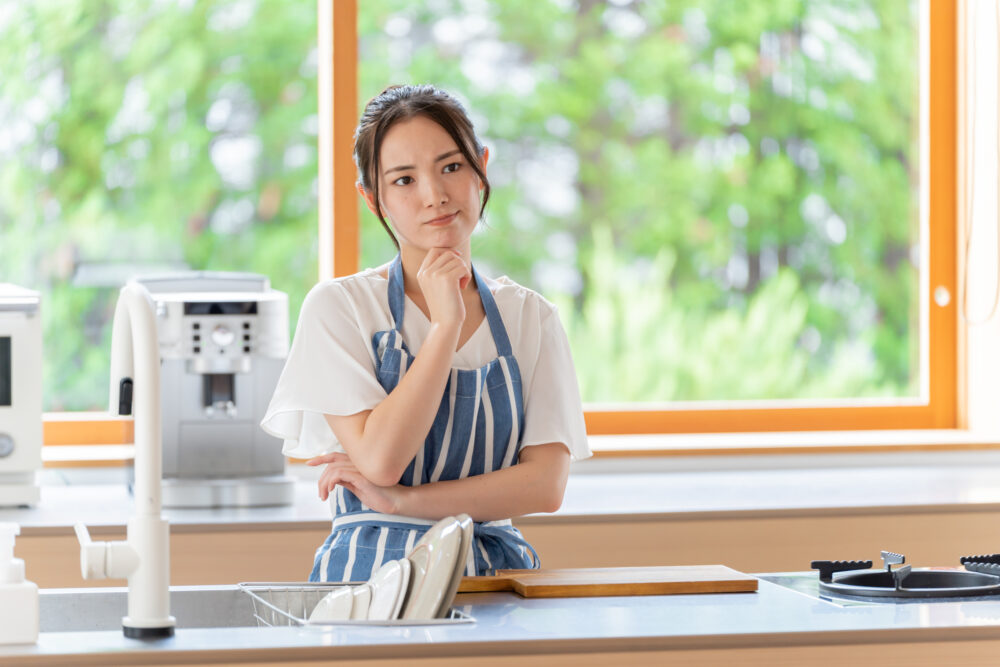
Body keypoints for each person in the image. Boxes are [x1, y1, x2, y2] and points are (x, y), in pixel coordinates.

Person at [260, 84, 590, 583]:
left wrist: (407, 503)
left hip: (495, 579)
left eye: (451, 167)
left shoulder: (531, 318)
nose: (434, 195)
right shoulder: (340, 308)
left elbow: (545, 485)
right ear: (374, 200)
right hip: (370, 583)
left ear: (481, 167)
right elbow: (381, 459)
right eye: (404, 180)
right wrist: (445, 326)